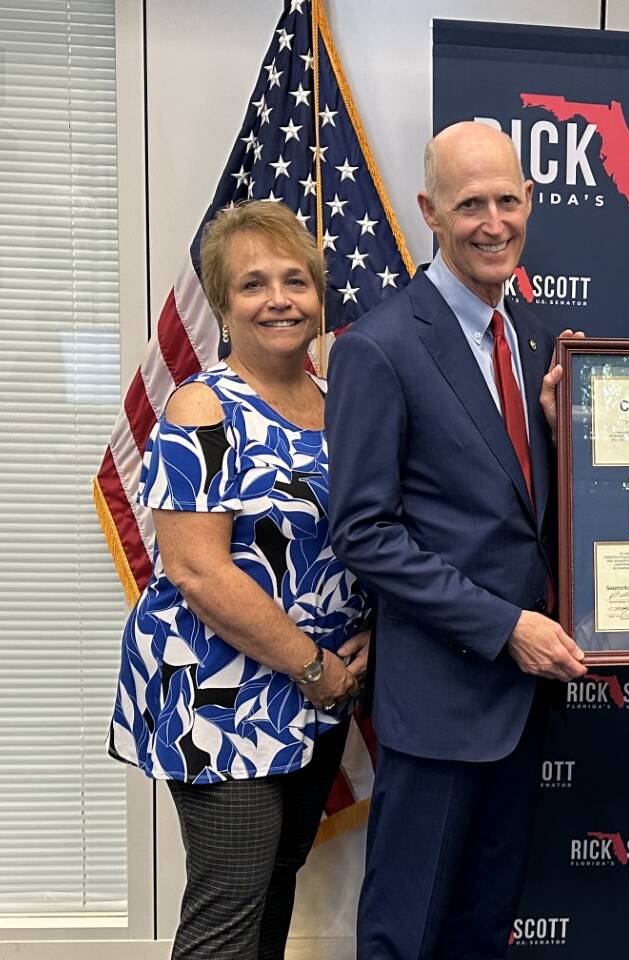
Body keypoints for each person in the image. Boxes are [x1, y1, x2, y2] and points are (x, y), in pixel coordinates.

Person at [325, 121, 586, 959]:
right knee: (406, 934)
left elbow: (517, 505)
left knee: (483, 929)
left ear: (531, 204)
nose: (492, 221)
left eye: (508, 200)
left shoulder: (533, 339)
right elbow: (363, 531)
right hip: (439, 702)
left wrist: (557, 434)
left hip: (521, 706)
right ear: (429, 210)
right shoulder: (381, 345)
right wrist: (504, 626)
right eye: (469, 203)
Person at [107, 200, 371, 960]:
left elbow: (363, 537)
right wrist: (312, 665)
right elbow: (195, 567)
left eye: (296, 280)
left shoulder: (339, 404)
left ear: (321, 296)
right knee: (228, 908)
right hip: (222, 693)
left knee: (274, 881)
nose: (280, 300)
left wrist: (362, 641)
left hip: (319, 692)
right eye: (254, 284)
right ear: (222, 304)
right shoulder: (202, 407)